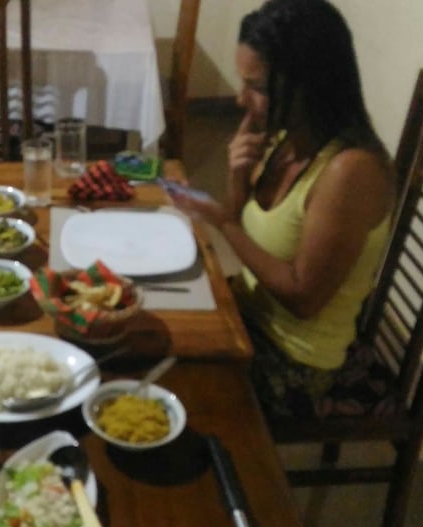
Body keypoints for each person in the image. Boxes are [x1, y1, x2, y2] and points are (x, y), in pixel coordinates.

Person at [169, 0, 396, 418]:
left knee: (168, 376)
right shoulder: (287, 137)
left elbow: (302, 297)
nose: (241, 100)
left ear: (311, 84)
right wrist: (237, 177)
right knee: (151, 317)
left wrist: (221, 220)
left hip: (298, 364)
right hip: (253, 316)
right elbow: (245, 230)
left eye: (257, 87)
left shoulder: (351, 172)